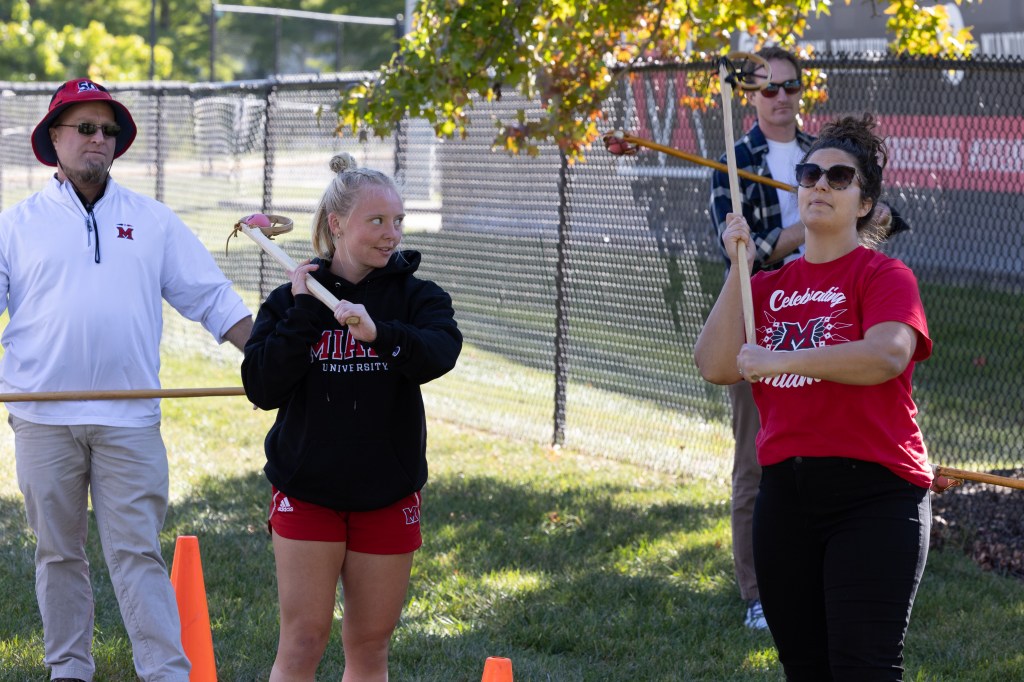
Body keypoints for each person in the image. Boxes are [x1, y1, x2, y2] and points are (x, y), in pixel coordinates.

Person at [0, 78, 253, 682]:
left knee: (136, 552)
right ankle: (69, 669)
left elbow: (211, 298)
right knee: (58, 553)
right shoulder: (16, 225)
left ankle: (164, 671)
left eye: (108, 130)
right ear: (53, 138)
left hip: (131, 419)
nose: (98, 140)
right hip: (42, 417)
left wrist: (270, 359)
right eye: (85, 128)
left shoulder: (153, 220)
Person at [694, 113, 939, 680]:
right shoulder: (766, 287)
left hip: (876, 494)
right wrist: (740, 267)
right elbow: (713, 364)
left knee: (862, 669)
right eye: (809, 175)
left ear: (864, 204)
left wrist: (781, 361)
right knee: (805, 668)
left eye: (838, 177)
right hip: (785, 498)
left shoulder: (884, 276)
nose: (819, 185)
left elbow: (886, 354)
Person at [241, 153, 462, 682]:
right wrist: (304, 315)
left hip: (387, 494)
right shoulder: (293, 297)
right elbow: (262, 387)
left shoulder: (417, 297)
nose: (392, 234)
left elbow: (440, 353)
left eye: (398, 221)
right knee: (303, 639)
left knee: (369, 644)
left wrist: (380, 334)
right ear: (337, 225)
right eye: (377, 221)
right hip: (307, 490)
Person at [707, 45, 815, 630]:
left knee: (819, 449)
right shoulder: (732, 158)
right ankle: (757, 592)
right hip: (758, 314)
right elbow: (738, 249)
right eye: (768, 89)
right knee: (756, 456)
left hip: (820, 318)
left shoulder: (821, 158)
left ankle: (816, 572)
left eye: (789, 87)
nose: (780, 99)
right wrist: (798, 231)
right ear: (750, 95)